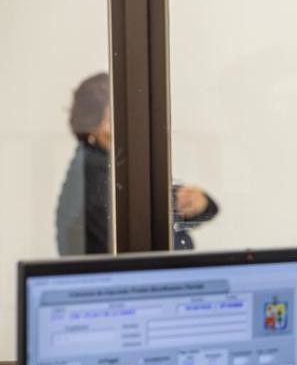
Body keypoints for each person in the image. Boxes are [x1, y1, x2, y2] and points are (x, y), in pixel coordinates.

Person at [56, 72, 218, 255]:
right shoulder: (97, 171)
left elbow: (195, 209)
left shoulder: (110, 163)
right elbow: (147, 231)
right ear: (97, 121)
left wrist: (199, 201)